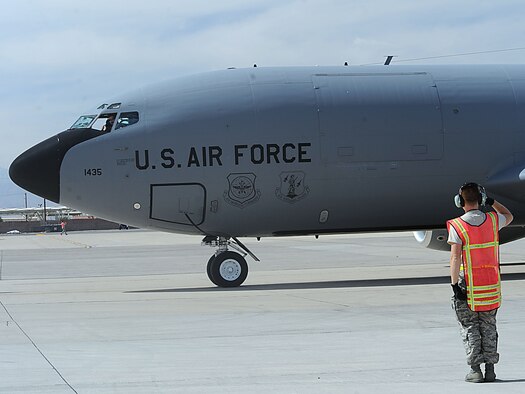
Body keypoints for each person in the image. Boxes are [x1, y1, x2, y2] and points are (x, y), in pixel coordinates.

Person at [447, 183, 513, 383]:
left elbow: (455, 258)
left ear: (460, 201)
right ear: (481, 199)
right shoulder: (493, 220)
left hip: (467, 283)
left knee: (469, 326)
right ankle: (491, 369)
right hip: (490, 283)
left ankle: (475, 370)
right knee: (489, 325)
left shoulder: (457, 225)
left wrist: (454, 285)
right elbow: (509, 215)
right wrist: (492, 202)